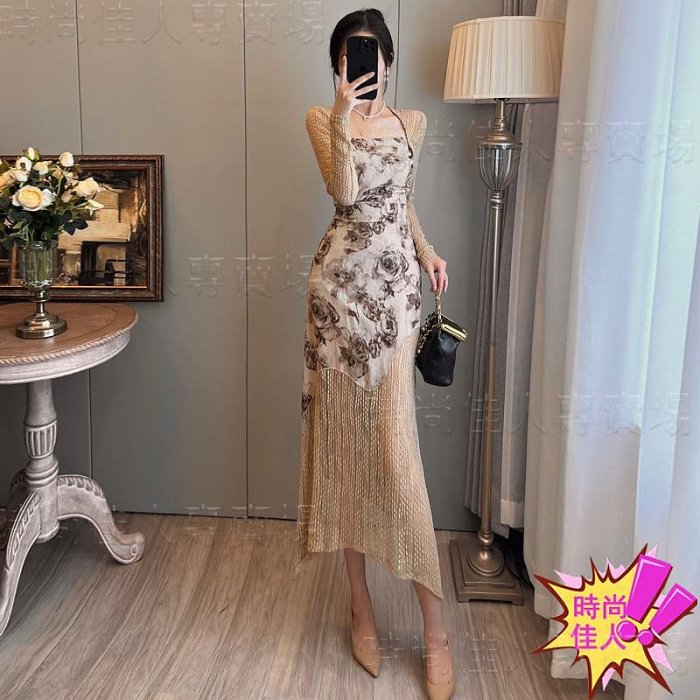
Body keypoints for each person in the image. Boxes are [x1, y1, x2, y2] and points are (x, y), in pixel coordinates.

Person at [293, 9, 454, 699]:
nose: (361, 65)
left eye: (370, 54)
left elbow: (401, 203)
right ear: (338, 64)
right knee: (344, 452)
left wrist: (428, 251)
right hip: (337, 298)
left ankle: (436, 634)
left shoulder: (413, 123)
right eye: (348, 55)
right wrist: (341, 114)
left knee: (396, 458)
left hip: (395, 303)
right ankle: (359, 605)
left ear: (388, 60)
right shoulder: (319, 118)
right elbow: (346, 193)